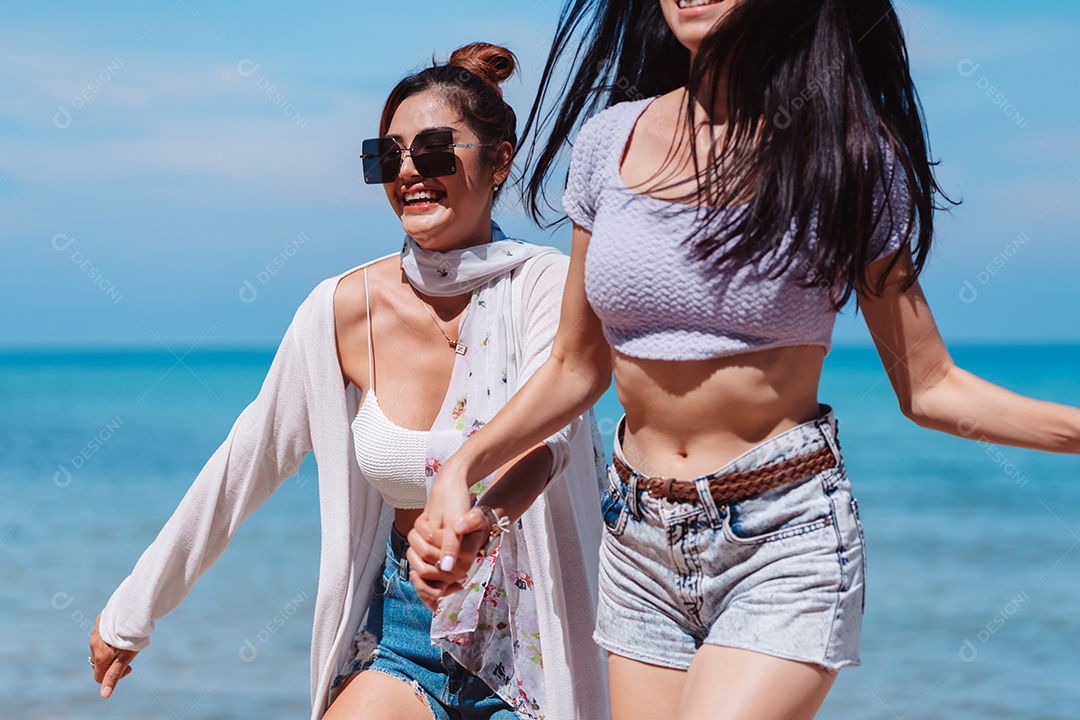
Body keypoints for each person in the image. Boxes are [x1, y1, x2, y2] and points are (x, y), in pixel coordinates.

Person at [410, 4, 1080, 720]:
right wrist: (461, 472)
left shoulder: (846, 155)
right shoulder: (609, 143)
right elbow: (578, 368)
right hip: (639, 545)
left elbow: (930, 386)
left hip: (784, 535)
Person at [88, 42, 609, 720]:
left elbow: (554, 440)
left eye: (434, 152)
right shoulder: (342, 311)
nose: (408, 174)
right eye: (387, 157)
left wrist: (483, 518)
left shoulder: (544, 286)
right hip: (407, 636)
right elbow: (249, 460)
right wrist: (133, 609)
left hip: (534, 637)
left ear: (500, 158)